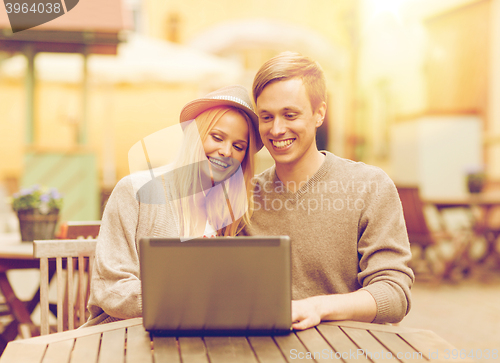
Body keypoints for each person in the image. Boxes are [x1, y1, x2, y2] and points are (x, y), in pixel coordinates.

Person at [240, 52, 414, 330]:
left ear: (319, 113)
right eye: (266, 117)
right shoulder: (244, 198)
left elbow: (393, 295)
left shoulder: (369, 186)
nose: (276, 129)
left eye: (290, 115)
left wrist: (317, 307)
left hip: (349, 350)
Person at [85, 85, 262, 326]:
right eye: (217, 137)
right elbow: (111, 290)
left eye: (239, 146)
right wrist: (188, 298)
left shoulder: (230, 212)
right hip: (126, 335)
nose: (226, 151)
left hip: (198, 334)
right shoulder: (136, 190)